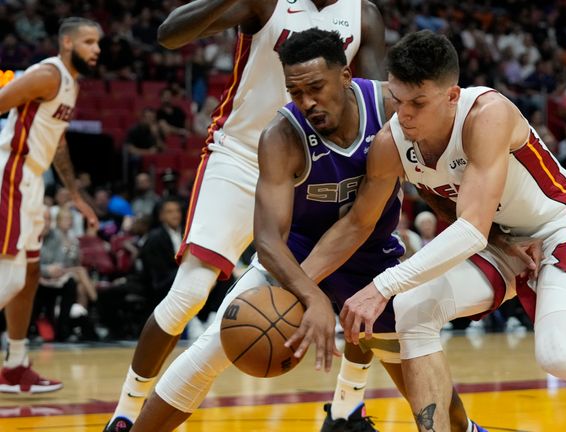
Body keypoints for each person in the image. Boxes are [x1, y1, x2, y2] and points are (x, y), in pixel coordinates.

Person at [302, 31, 566, 431]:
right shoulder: (391, 143)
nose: (405, 115)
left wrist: (382, 285)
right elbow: (359, 222)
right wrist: (299, 285)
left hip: (553, 228)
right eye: (397, 100)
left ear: (452, 96)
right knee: (413, 309)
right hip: (495, 239)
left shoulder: (487, 114)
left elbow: (468, 228)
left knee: (560, 355)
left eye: (418, 103)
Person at [130, 29, 501, 432]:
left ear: (345, 76)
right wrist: (312, 296)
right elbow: (268, 240)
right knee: (212, 348)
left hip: (372, 261)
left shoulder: (392, 106)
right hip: (298, 261)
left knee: (423, 384)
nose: (307, 101)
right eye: (295, 91)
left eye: (316, 87)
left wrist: (498, 238)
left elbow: (431, 180)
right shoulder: (281, 136)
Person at [105, 1, 390, 430]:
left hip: (315, 161)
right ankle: (126, 412)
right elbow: (168, 35)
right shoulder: (268, 3)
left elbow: (376, 104)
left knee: (364, 278)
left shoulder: (362, 14)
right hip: (240, 157)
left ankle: (348, 408)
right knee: (189, 294)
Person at [0, 17, 100, 394]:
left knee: (28, 275)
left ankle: (15, 366)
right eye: (89, 42)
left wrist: (73, 192)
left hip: (32, 181)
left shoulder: (70, 85)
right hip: (11, 173)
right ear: (68, 42)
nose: (97, 50)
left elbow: (57, 143)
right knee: (9, 277)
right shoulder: (47, 74)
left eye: (99, 44)